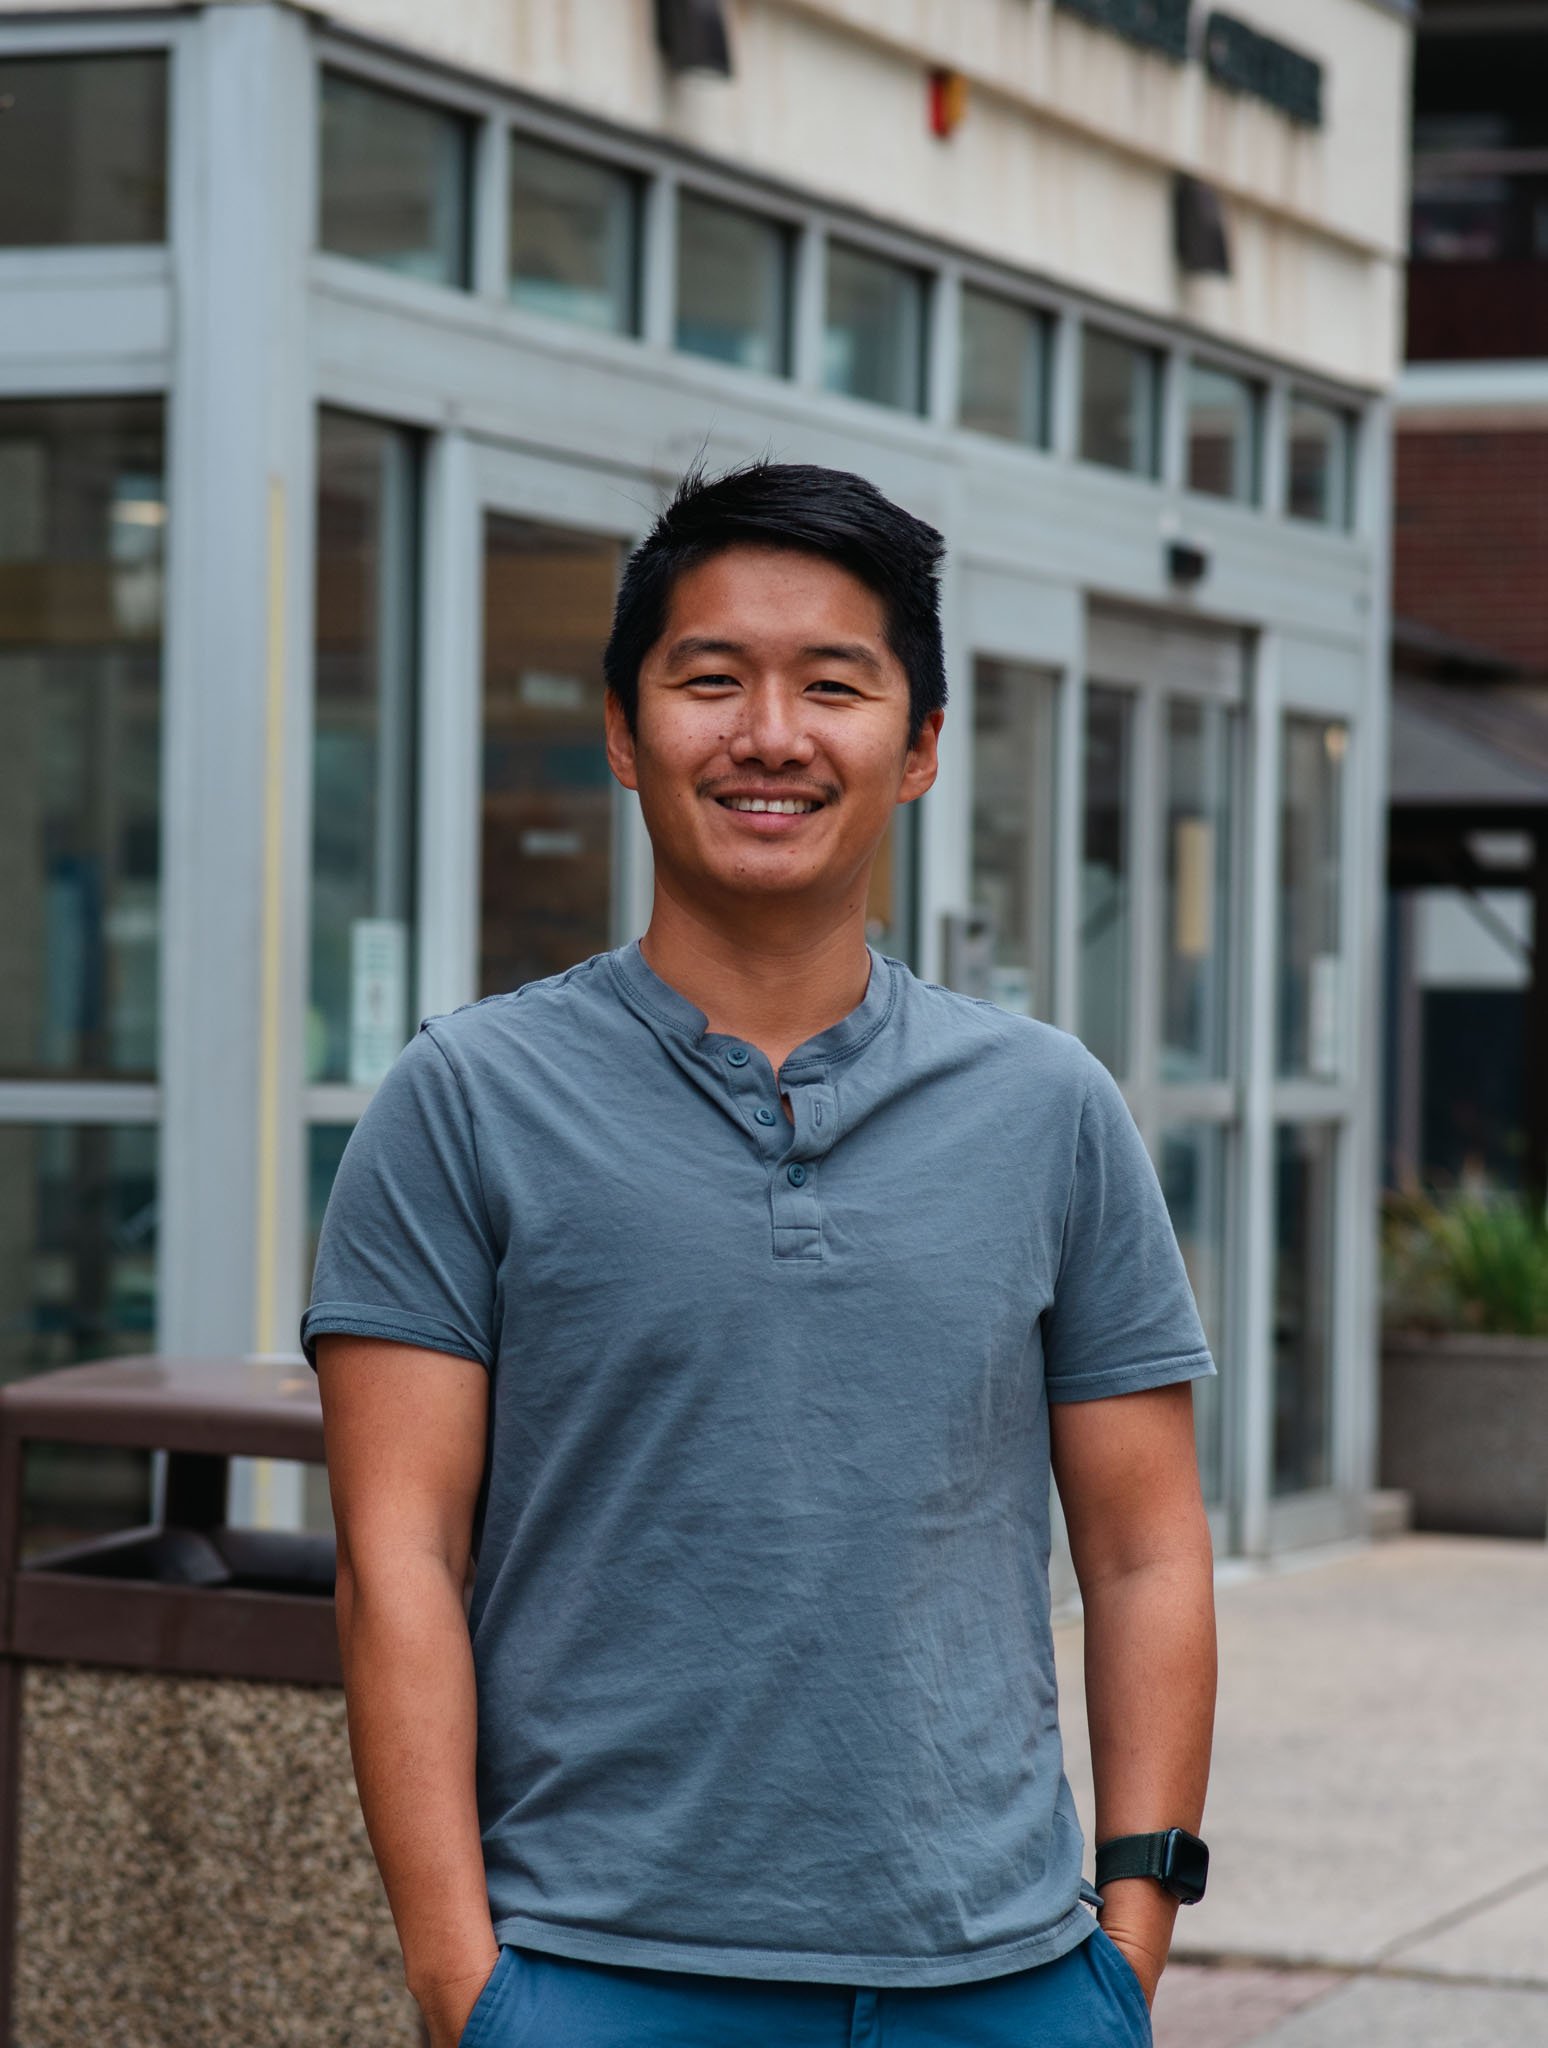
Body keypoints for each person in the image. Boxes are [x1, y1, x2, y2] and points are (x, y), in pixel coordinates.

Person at [304, 461, 1217, 2048]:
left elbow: (1145, 1551)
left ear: (919, 745)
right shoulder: (465, 1102)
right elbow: (398, 1565)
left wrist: (1127, 1939)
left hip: (1000, 1982)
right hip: (595, 1974)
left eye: (834, 686)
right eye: (709, 679)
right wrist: (468, 1992)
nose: (770, 735)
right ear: (622, 729)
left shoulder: (1050, 1108)